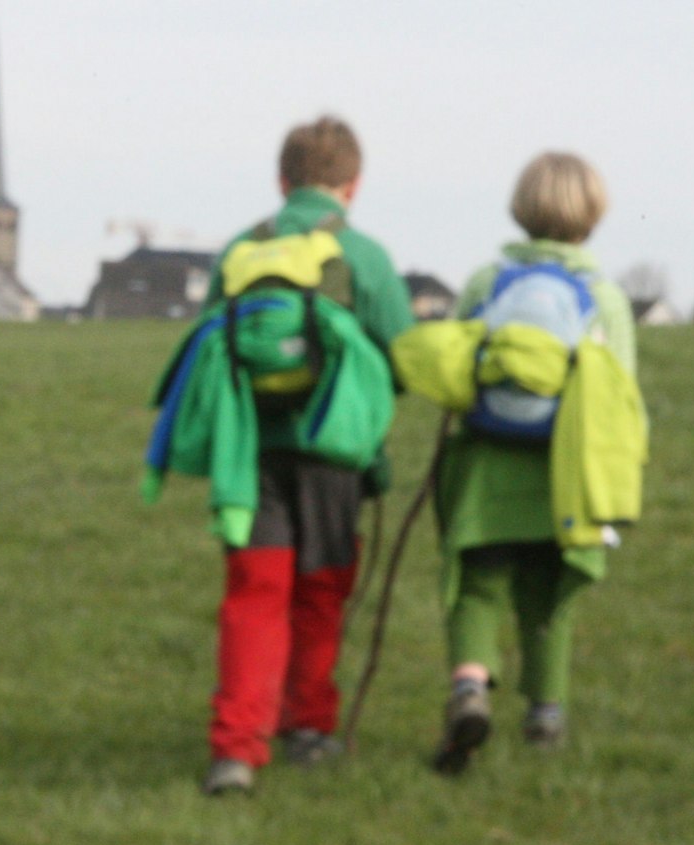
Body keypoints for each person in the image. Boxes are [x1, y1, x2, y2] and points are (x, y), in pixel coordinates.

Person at [193, 117, 414, 795]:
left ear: (281, 181)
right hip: (334, 457)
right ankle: (309, 729)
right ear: (353, 185)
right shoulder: (364, 256)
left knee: (254, 596)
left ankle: (235, 750)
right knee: (319, 593)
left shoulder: (242, 247)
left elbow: (211, 340)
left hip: (249, 452)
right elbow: (401, 356)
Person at [429, 152, 640, 774]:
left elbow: (453, 370)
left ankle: (469, 686)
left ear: (520, 209)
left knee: (477, 586)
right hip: (565, 476)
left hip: (486, 465)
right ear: (594, 215)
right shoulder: (604, 298)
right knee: (550, 594)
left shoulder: (482, 285)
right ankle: (546, 713)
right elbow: (621, 400)